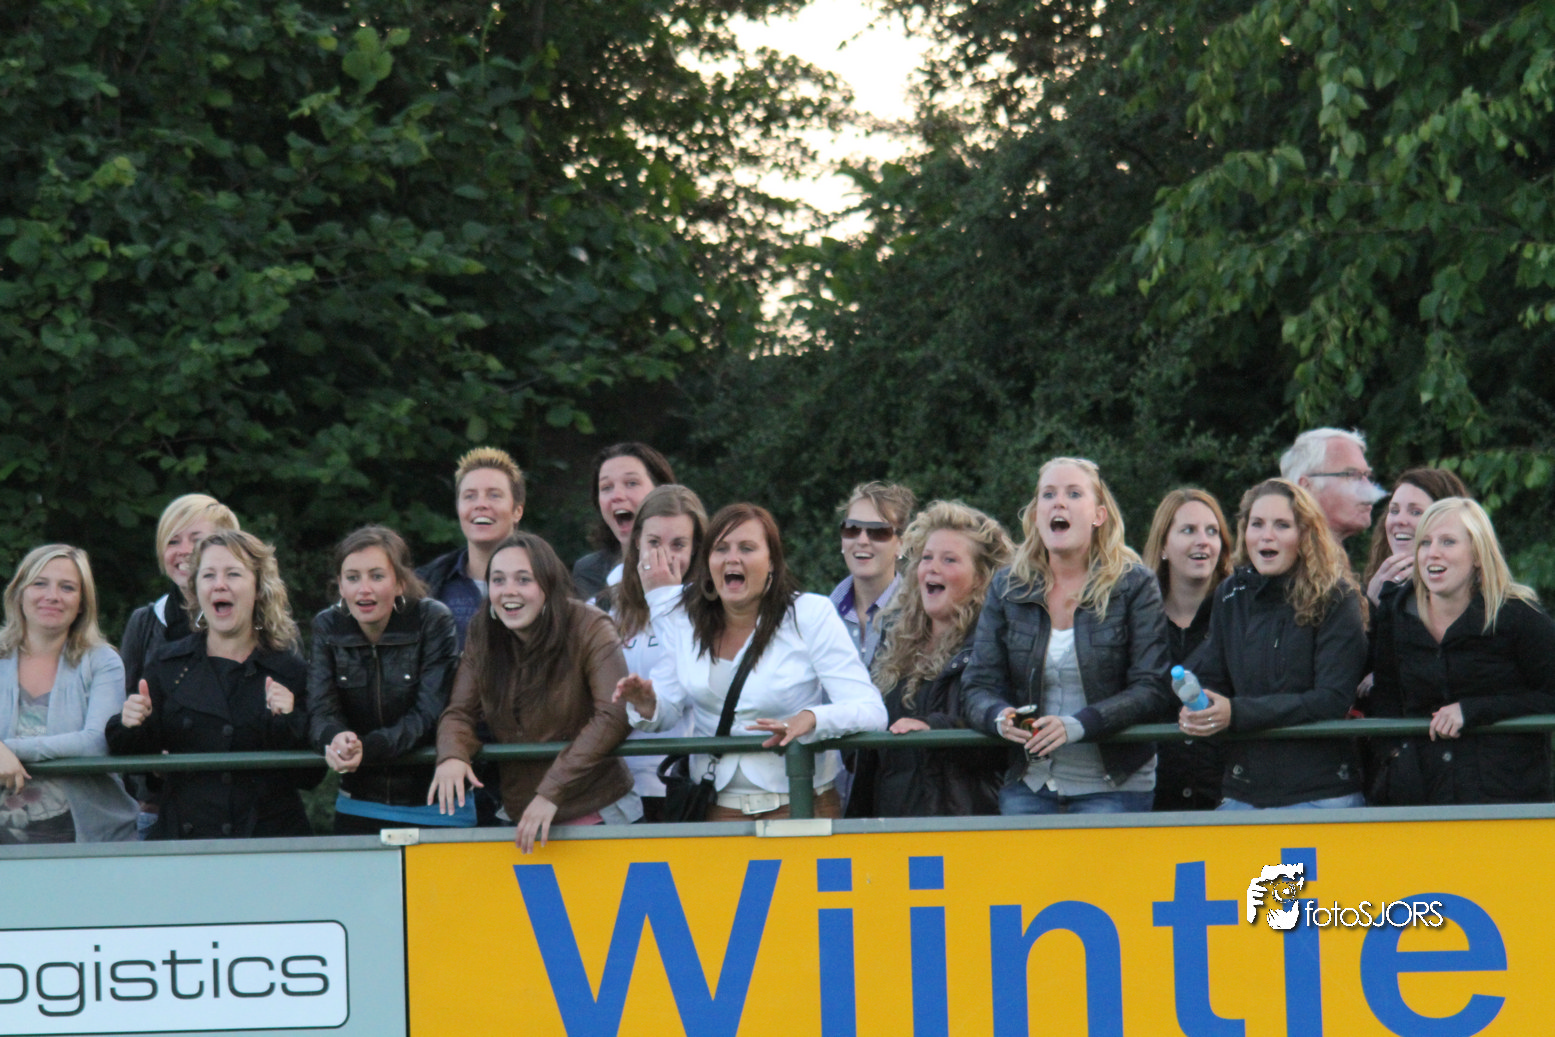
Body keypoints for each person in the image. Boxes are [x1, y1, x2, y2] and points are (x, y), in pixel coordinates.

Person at [614, 504, 888, 821]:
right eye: (721, 549)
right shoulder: (685, 620)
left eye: (747, 548)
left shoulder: (810, 614)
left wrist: (812, 718)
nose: (733, 558)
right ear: (708, 562)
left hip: (801, 804)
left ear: (772, 561)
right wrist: (647, 703)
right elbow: (666, 711)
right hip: (716, 808)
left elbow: (871, 711)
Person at [961, 458, 1176, 815]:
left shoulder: (1135, 584)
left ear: (1098, 516)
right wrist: (1000, 717)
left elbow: (1151, 688)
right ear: (1036, 515)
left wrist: (1078, 725)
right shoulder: (1007, 586)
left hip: (1113, 785)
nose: (1059, 503)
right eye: (1048, 495)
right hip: (1029, 784)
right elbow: (977, 686)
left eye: (1074, 494)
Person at [430, 533, 639, 853]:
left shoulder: (589, 625)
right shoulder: (482, 630)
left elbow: (614, 714)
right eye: (498, 580)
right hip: (521, 816)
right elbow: (459, 712)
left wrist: (550, 792)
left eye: (523, 579)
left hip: (598, 811)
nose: (509, 591)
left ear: (548, 584)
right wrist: (452, 754)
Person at [107, 531, 313, 839]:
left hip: (268, 844)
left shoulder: (289, 669)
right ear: (195, 589)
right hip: (188, 844)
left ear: (259, 587)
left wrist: (288, 721)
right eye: (208, 575)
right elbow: (130, 755)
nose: (219, 584)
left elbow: (311, 776)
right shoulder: (168, 664)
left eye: (233, 574)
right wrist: (131, 722)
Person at [1178, 479, 1368, 809]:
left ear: (1305, 534)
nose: (1267, 536)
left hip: (1319, 795)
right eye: (1257, 524)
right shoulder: (1229, 594)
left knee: (1294, 856)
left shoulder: (1336, 598)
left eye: (1282, 525)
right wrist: (1200, 706)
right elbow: (1215, 677)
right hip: (1243, 794)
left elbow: (1331, 699)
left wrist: (1235, 713)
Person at [1367, 498, 1555, 804]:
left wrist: (1474, 710)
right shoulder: (1395, 612)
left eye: (1448, 542)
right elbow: (1386, 696)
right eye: (1425, 542)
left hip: (1505, 796)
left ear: (1478, 554)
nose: (1433, 552)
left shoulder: (1519, 615)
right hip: (1419, 796)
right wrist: (1395, 757)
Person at [847, 501, 1013, 818]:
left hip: (965, 825)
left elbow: (1006, 737)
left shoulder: (997, 645)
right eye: (926, 558)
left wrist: (934, 729)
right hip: (889, 825)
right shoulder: (892, 642)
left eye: (949, 559)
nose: (932, 568)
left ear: (981, 578)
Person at [308, 526, 460, 833]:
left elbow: (429, 713)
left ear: (400, 582)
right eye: (353, 578)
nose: (364, 589)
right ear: (340, 586)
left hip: (436, 801)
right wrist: (334, 738)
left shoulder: (433, 619)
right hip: (359, 801)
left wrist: (369, 748)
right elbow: (320, 709)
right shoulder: (327, 625)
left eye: (376, 576)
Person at [117, 493, 240, 834]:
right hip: (161, 807)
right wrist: (149, 764)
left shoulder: (265, 624)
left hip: (245, 809)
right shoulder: (145, 623)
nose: (184, 551)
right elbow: (123, 718)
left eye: (196, 539)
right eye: (173, 541)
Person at [0, 545, 137, 843]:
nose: (53, 596)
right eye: (40, 584)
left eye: (67, 588)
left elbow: (96, 742)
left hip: (87, 842)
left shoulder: (102, 662)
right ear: (19, 593)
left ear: (82, 603)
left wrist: (7, 749)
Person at [594, 485, 705, 822]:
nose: (665, 557)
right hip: (614, 788)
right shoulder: (604, 606)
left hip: (681, 781)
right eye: (654, 543)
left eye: (678, 545)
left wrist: (664, 598)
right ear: (637, 542)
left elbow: (693, 684)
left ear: (696, 549)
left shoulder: (711, 609)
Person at [1142, 488, 1235, 810]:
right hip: (1152, 799)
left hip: (1225, 798)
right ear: (1163, 546)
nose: (1203, 541)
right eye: (1188, 530)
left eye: (1212, 531)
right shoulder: (1138, 618)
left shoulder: (1240, 613)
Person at [417, 447, 526, 647]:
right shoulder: (424, 584)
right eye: (470, 496)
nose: (481, 504)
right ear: (458, 508)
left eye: (494, 495)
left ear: (517, 511)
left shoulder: (547, 582)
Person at [572, 442, 676, 599]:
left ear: (661, 492)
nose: (617, 496)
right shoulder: (588, 572)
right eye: (606, 487)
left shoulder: (695, 563)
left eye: (631, 483)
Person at [829, 481, 917, 667]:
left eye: (878, 531)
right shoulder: (821, 618)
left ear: (901, 544)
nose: (862, 540)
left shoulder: (919, 617)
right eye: (852, 529)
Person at [1361, 468, 1471, 607]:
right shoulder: (1373, 589)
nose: (1399, 520)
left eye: (1415, 512)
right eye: (1394, 510)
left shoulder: (1470, 600)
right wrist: (1370, 605)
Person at [1278, 427, 1386, 542]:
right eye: (1352, 475)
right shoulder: (1279, 551)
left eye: (1368, 475)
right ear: (1306, 487)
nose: (1368, 487)